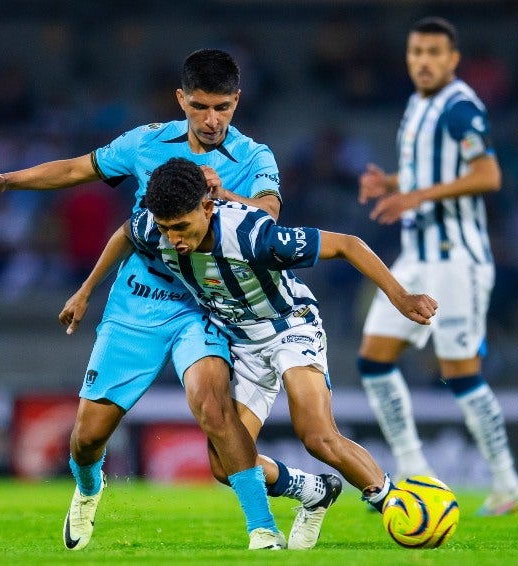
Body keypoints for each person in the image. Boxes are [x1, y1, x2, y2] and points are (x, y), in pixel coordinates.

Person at [0, 49, 339, 551]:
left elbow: (269, 215)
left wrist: (223, 195)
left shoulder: (254, 157)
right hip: (138, 301)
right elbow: (79, 169)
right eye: (201, 106)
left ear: (237, 102)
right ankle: (88, 488)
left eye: (223, 107)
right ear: (181, 99)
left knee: (213, 407)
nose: (212, 120)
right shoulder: (146, 143)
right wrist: (8, 181)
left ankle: (262, 529)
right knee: (87, 438)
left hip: (205, 304)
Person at [60, 157, 439, 538]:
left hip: (289, 328)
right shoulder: (155, 227)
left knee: (317, 436)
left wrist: (400, 297)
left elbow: (348, 245)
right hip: (239, 342)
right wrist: (86, 290)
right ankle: (313, 491)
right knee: (226, 466)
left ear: (207, 207)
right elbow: (127, 233)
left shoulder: (253, 235)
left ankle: (397, 503)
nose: (173, 239)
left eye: (181, 227)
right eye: (165, 228)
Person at [355, 17, 518, 516]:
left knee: (460, 372)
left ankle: (507, 482)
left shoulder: (460, 107)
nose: (424, 61)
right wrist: (391, 183)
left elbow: (487, 174)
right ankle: (415, 475)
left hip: (458, 260)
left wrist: (416, 196)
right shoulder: (418, 104)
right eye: (416, 52)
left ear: (453, 59)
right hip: (417, 258)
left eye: (434, 52)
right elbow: (426, 171)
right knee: (373, 361)